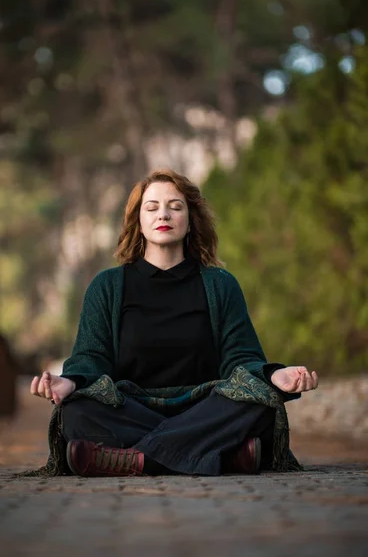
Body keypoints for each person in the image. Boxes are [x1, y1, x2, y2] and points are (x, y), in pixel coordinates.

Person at [30, 169, 318, 477]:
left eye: (175, 206)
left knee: (260, 404)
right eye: (151, 207)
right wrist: (69, 381)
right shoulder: (107, 286)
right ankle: (224, 456)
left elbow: (241, 358)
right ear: (137, 221)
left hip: (204, 408)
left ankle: (134, 459)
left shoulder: (220, 284)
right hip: (132, 408)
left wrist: (275, 376)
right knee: (75, 412)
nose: (163, 214)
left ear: (191, 219)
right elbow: (91, 358)